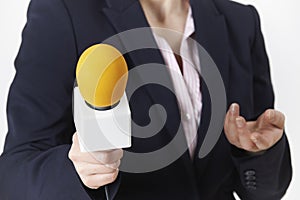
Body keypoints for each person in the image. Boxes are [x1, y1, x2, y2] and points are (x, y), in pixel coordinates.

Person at [0, 0, 292, 199]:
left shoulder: (240, 22)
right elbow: (15, 171)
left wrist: (257, 153)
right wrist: (76, 172)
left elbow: (265, 192)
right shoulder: (65, 13)